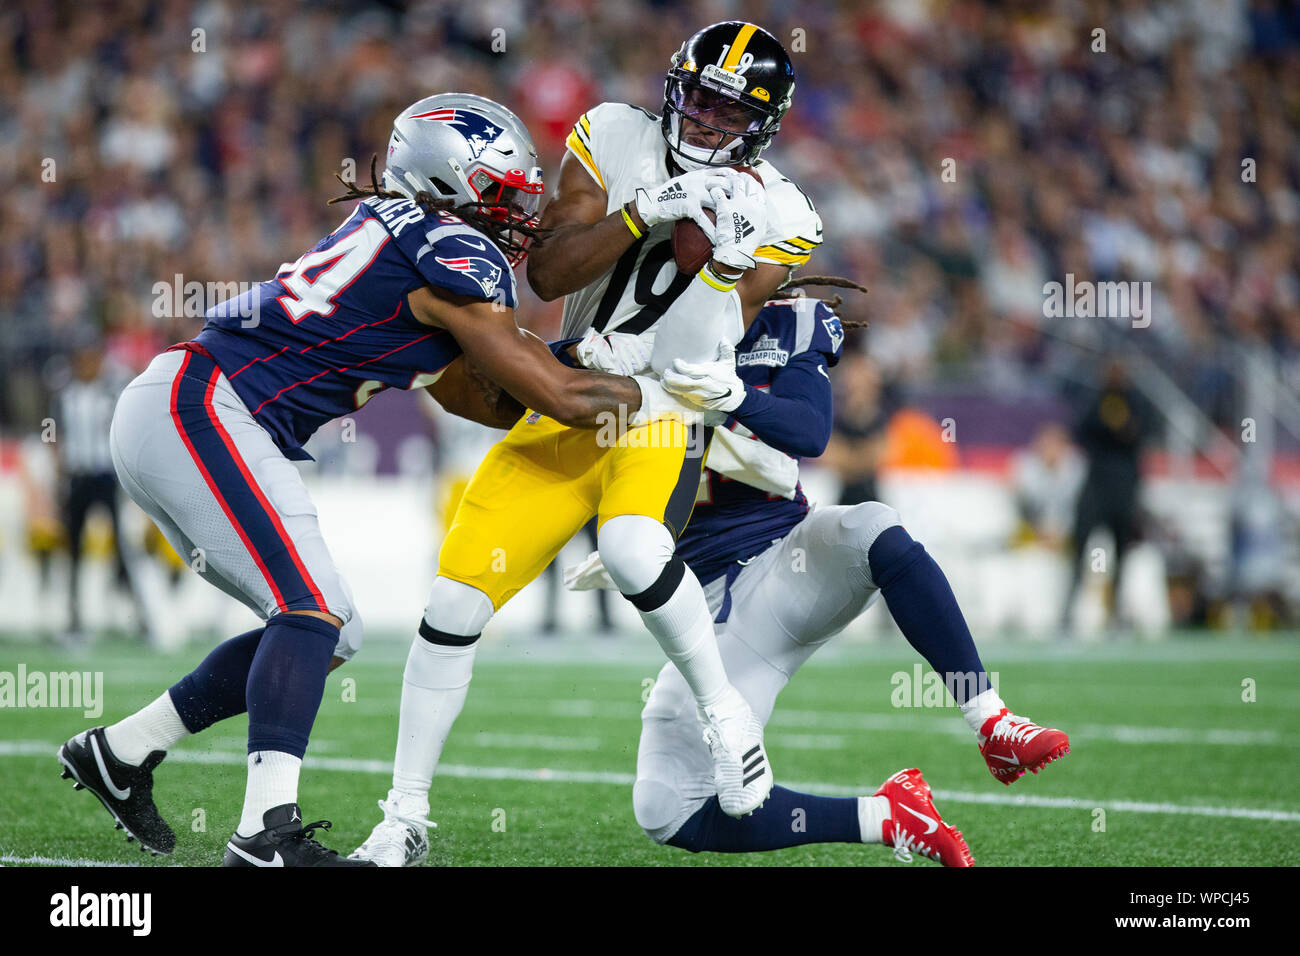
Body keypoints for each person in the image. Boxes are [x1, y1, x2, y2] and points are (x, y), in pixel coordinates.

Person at [56, 92, 693, 866]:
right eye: (506, 190)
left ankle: (121, 752)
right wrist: (666, 389)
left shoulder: (402, 235)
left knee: (329, 630)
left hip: (187, 408)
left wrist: (581, 364)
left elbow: (487, 401)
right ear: (452, 181)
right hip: (207, 407)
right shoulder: (457, 251)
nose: (522, 208)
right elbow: (550, 398)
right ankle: (266, 834)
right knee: (312, 610)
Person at [352, 20, 822, 866]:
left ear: (763, 122)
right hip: (571, 396)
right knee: (451, 606)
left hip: (659, 406)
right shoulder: (613, 132)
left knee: (638, 548)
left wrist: (718, 259)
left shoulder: (784, 210)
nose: (708, 120)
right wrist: (647, 210)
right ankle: (403, 816)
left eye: (730, 110)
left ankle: (727, 717)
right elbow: (550, 272)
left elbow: (707, 354)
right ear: (675, 86)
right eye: (701, 98)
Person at [571, 288, 1070, 866]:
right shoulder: (628, 328)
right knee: (666, 808)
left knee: (873, 528)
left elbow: (809, 432)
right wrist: (630, 540)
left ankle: (992, 722)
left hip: (787, 557)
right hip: (713, 606)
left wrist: (733, 397)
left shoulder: (788, 323)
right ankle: (885, 815)